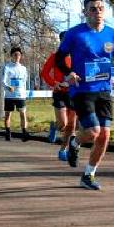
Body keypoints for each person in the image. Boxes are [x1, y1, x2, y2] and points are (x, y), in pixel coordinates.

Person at [54, 0, 114, 191]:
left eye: (101, 8)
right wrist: (69, 73)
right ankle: (75, 141)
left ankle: (88, 174)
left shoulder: (113, 35)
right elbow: (60, 58)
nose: (98, 12)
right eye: (93, 9)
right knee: (93, 132)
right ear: (85, 12)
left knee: (105, 135)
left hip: (104, 90)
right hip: (82, 90)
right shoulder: (75, 34)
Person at [40, 31, 77, 161]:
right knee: (63, 123)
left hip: (73, 93)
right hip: (59, 92)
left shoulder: (75, 56)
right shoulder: (55, 56)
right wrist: (53, 83)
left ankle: (63, 150)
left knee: (72, 125)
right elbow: (44, 73)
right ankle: (55, 126)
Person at [1, 47, 29, 142]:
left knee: (23, 113)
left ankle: (24, 133)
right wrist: (8, 87)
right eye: (15, 55)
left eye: (19, 55)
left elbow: (25, 81)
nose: (17, 56)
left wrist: (25, 93)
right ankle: (8, 132)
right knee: (8, 115)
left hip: (20, 95)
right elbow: (3, 80)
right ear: (11, 56)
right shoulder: (7, 67)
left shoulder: (23, 68)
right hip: (9, 95)